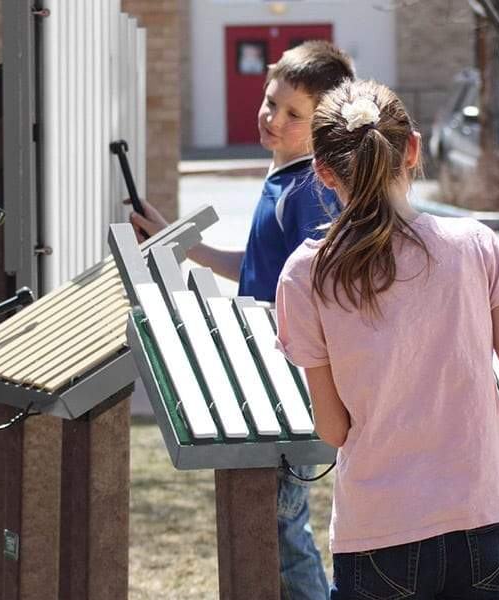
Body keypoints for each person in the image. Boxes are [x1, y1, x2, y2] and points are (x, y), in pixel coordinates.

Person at [274, 79, 499, 599]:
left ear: (323, 171)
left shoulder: (305, 275)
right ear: (414, 149)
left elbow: (332, 429)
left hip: (377, 532)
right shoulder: (473, 245)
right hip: (484, 518)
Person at [130, 40, 355, 600]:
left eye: (293, 114)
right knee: (274, 523)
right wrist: (186, 247)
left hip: (289, 386)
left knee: (282, 528)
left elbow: (318, 289)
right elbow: (262, 268)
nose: (272, 118)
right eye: (269, 100)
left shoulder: (311, 190)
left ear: (324, 125)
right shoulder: (282, 178)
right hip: (264, 378)